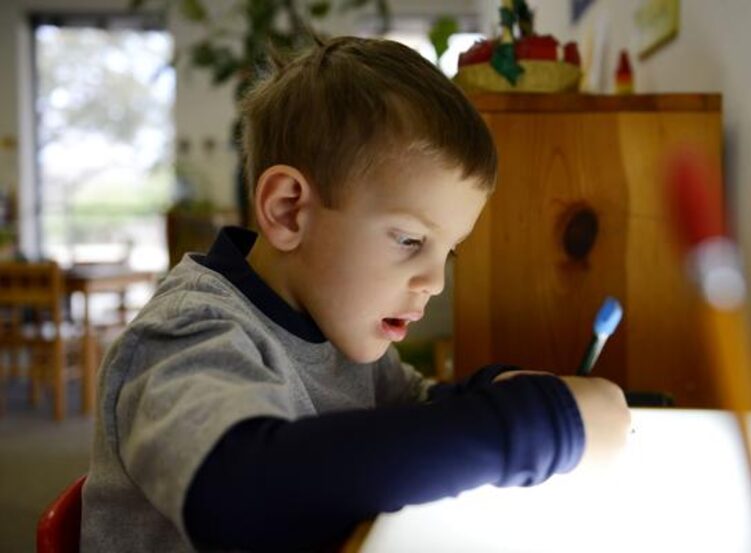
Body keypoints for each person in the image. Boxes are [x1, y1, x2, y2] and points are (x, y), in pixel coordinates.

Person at [81, 36, 630, 552]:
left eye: (448, 251)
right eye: (410, 239)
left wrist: (499, 386)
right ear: (288, 210)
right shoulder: (188, 333)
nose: (435, 282)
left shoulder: (335, 324)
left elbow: (412, 417)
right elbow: (240, 492)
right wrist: (529, 427)